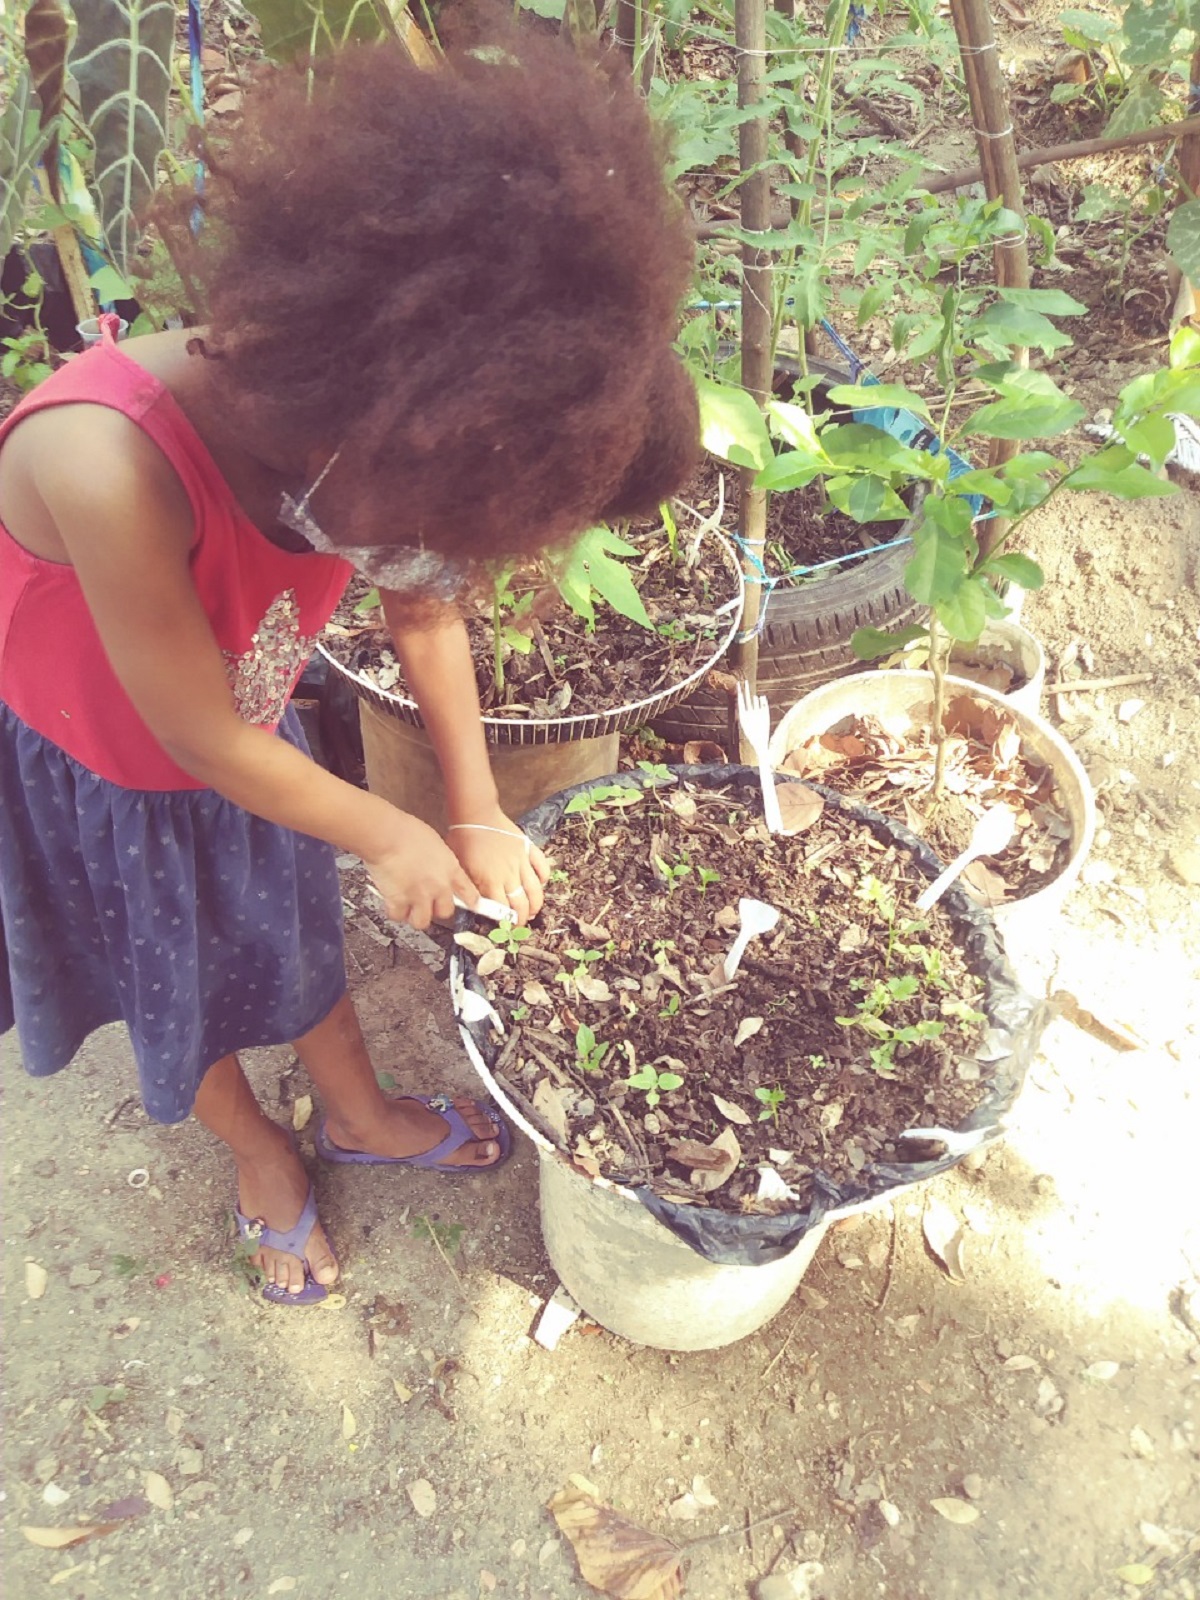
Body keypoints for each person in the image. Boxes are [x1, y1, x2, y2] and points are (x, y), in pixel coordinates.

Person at [0, 31, 698, 1304]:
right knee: (176, 986)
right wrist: (388, 829)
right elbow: (197, 739)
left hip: (253, 749)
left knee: (290, 935)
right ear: (370, 399)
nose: (413, 550)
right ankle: (257, 1150)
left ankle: (358, 1112)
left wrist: (471, 809)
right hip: (118, 775)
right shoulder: (102, 462)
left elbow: (427, 612)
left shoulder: (375, 433)